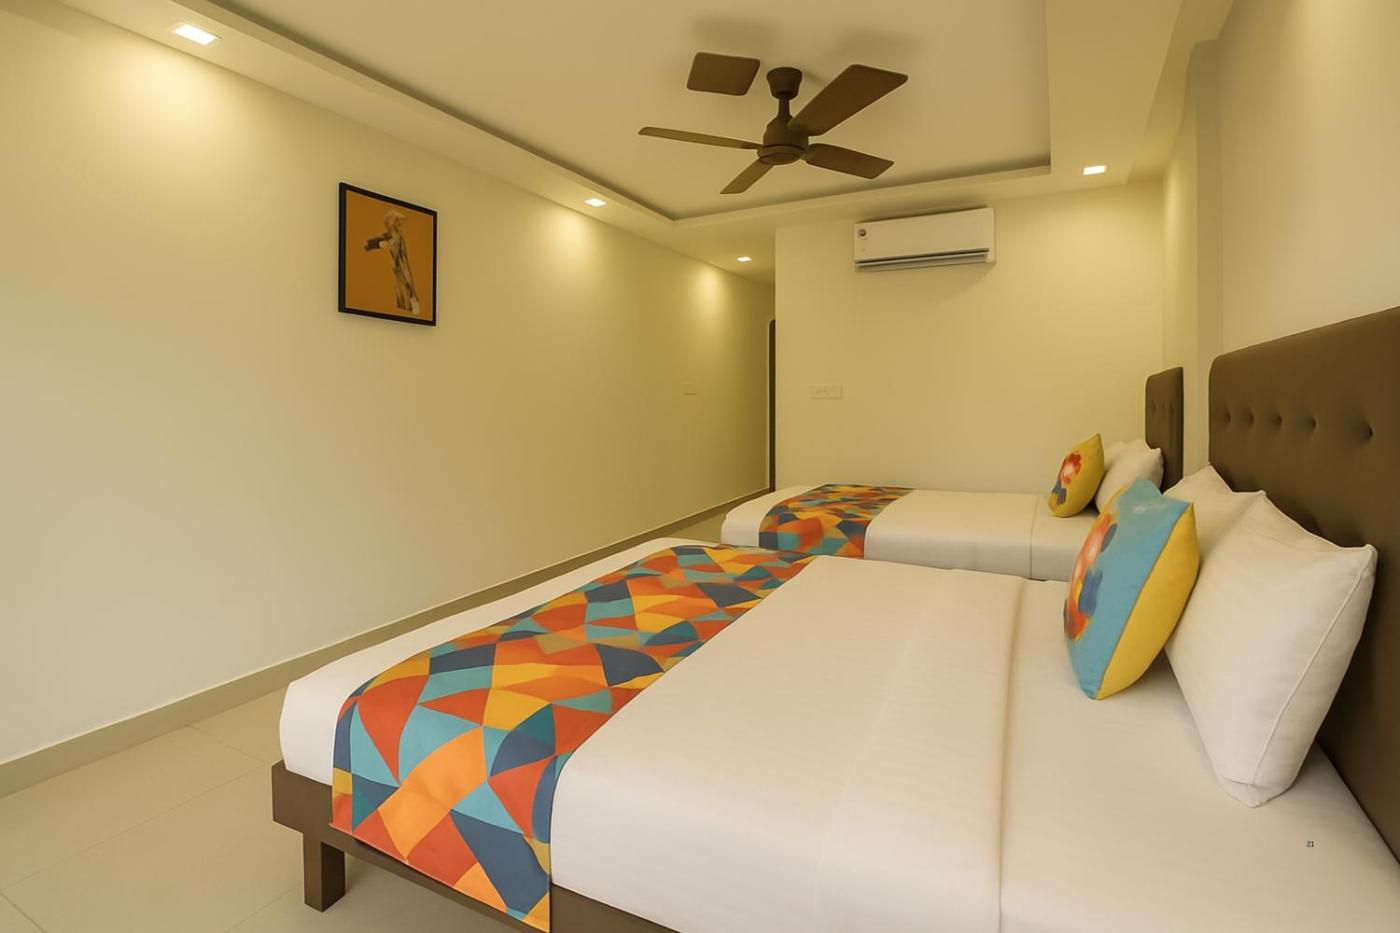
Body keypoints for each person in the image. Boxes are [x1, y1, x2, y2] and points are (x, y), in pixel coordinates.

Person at [364, 210, 421, 315]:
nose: (399, 224)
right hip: (397, 263)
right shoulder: (390, 234)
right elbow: (375, 241)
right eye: (396, 221)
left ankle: (412, 302)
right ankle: (411, 302)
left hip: (402, 262)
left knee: (406, 282)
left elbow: (397, 245)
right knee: (403, 283)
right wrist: (378, 244)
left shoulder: (398, 234)